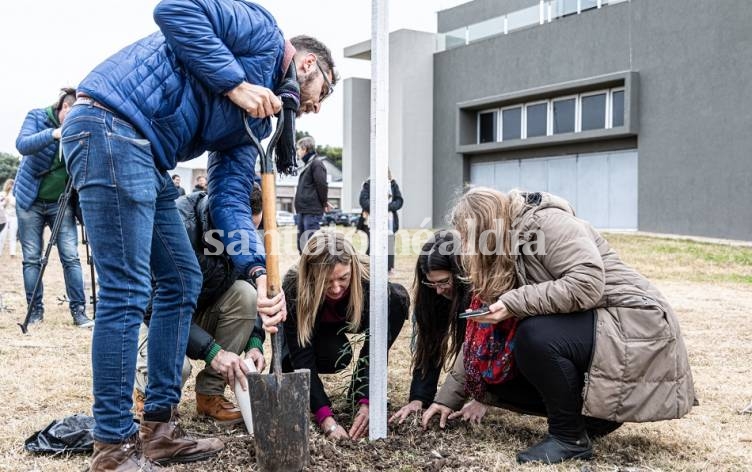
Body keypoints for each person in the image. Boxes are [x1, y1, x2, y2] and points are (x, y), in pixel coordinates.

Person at [60, 0, 338, 468]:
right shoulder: (262, 32)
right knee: (127, 290)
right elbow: (174, 10)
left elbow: (228, 198)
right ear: (307, 64)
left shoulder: (257, 121)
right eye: (322, 91)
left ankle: (159, 428)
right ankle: (113, 445)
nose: (313, 107)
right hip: (109, 125)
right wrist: (235, 84)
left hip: (146, 155)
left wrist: (256, 273)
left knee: (182, 280)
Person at [422, 187, 695, 464]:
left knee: (535, 336)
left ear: (486, 226)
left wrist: (515, 301)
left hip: (636, 323)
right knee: (493, 374)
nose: (467, 247)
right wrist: (446, 399)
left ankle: (569, 438)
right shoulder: (505, 250)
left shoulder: (548, 224)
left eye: (469, 237)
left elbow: (587, 283)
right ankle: (592, 420)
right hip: (600, 325)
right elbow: (477, 340)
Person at [133, 184, 266, 425]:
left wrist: (255, 341)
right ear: (224, 216)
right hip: (155, 318)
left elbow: (250, 283)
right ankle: (146, 395)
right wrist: (212, 352)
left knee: (246, 294)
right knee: (176, 367)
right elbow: (153, 307)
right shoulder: (177, 224)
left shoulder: (240, 234)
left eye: (253, 229)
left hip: (199, 312)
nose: (247, 236)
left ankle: (210, 395)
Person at [282, 232, 409, 440]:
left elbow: (375, 348)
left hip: (351, 317)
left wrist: (367, 399)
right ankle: (299, 384)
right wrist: (325, 417)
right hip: (315, 328)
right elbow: (301, 353)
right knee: (298, 368)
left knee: (397, 298)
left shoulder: (371, 280)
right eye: (326, 281)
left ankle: (358, 390)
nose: (336, 288)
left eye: (343, 278)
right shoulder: (294, 286)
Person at [14, 88, 93, 328]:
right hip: (30, 200)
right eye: (71, 118)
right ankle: (35, 310)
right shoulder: (37, 117)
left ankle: (79, 311)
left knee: (70, 257)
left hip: (61, 203)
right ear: (64, 108)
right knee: (31, 259)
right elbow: (22, 144)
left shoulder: (80, 126)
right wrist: (54, 134)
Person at [388, 230, 470, 424]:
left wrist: (482, 400)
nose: (439, 290)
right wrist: (419, 398)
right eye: (432, 283)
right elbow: (429, 346)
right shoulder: (433, 292)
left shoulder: (476, 290)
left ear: (460, 273)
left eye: (444, 282)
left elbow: (477, 348)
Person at [358, 170, 403, 273]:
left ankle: (389, 267)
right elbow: (363, 201)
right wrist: (377, 207)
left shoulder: (393, 184)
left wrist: (387, 207)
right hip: (372, 220)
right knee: (373, 243)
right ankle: (369, 266)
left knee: (389, 243)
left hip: (390, 220)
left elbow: (399, 201)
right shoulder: (368, 184)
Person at [293, 135, 330, 253]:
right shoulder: (308, 164)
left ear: (305, 148)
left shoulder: (316, 164)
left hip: (312, 211)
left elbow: (322, 184)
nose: (297, 152)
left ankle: (313, 270)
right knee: (302, 244)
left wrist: (324, 202)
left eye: (298, 149)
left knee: (311, 244)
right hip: (304, 210)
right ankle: (304, 269)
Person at [0, 179, 17, 257]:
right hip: (4, 216)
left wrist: (10, 200)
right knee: (2, 235)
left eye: (13, 185)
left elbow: (17, 205)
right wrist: (4, 202)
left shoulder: (16, 195)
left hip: (14, 217)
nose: (12, 187)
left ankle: (12, 252)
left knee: (13, 235)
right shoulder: (2, 194)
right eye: (10, 185)